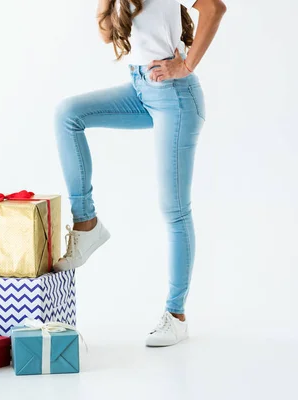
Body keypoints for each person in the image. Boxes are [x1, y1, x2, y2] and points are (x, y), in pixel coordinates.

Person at [53, 0, 226, 347]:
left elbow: (214, 8)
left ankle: (175, 315)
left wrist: (186, 66)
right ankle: (87, 224)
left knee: (174, 210)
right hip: (139, 89)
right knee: (68, 114)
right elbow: (106, 35)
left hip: (175, 97)